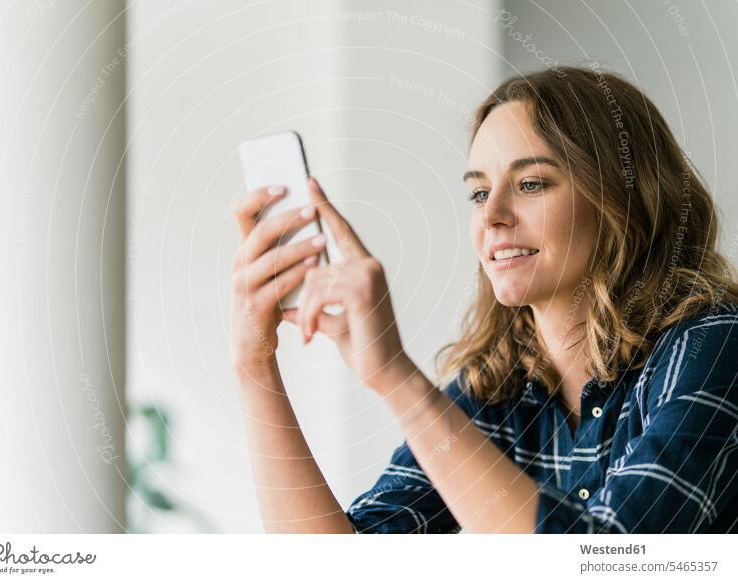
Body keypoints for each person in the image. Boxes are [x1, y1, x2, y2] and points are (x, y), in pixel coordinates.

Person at [229, 66, 738, 533]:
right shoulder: (495, 394)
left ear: (624, 201)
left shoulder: (715, 346)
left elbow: (606, 557)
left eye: (531, 183)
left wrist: (395, 376)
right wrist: (255, 366)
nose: (492, 214)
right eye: (478, 192)